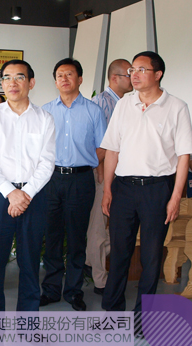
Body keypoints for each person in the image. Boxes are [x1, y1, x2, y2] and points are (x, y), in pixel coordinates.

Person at [101, 51, 192, 313]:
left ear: (158, 74)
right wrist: (107, 189)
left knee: (151, 257)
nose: (135, 75)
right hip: (123, 188)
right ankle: (112, 310)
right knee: (119, 252)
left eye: (142, 69)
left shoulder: (176, 107)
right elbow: (112, 150)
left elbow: (183, 156)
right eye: (132, 70)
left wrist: (175, 197)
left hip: (157, 190)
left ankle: (144, 316)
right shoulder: (124, 105)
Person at [0, 60, 55, 312]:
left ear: (31, 83)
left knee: (30, 262)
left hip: (33, 197)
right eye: (7, 77)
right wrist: (11, 193)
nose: (12, 83)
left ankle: (28, 322)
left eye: (19, 77)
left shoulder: (44, 118)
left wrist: (25, 194)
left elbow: (47, 162)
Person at [41, 58, 106, 311]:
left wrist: (84, 160)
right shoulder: (45, 111)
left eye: (69, 74)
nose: (64, 79)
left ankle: (74, 291)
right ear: (55, 81)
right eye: (60, 75)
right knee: (52, 236)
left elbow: (102, 147)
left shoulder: (93, 111)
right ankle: (51, 290)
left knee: (77, 238)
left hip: (81, 179)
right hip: (51, 179)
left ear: (80, 79)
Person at [86, 59, 132, 295]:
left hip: (121, 175)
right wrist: (103, 175)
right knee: (98, 228)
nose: (133, 77)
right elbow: (100, 145)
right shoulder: (102, 103)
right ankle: (100, 279)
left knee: (112, 228)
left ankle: (92, 264)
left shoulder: (126, 103)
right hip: (104, 175)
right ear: (115, 78)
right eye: (128, 73)